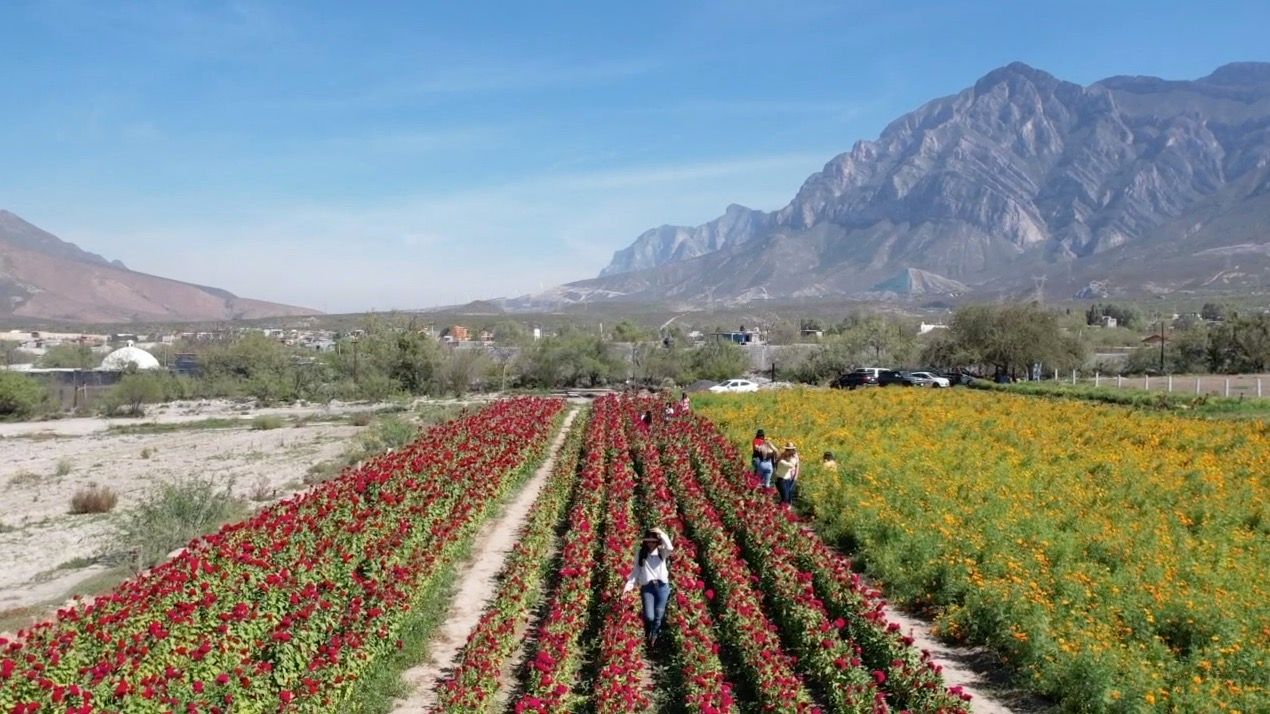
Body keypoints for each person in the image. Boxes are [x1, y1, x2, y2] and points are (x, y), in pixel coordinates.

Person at [624, 527, 674, 646]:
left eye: (653, 541)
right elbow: (635, 571)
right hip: (648, 588)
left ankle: (654, 636)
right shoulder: (641, 553)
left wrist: (661, 533)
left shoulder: (662, 552)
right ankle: (648, 631)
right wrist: (628, 587)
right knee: (649, 616)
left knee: (658, 615)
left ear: (657, 542)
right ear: (645, 542)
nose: (651, 543)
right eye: (648, 541)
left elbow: (670, 547)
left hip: (662, 587)